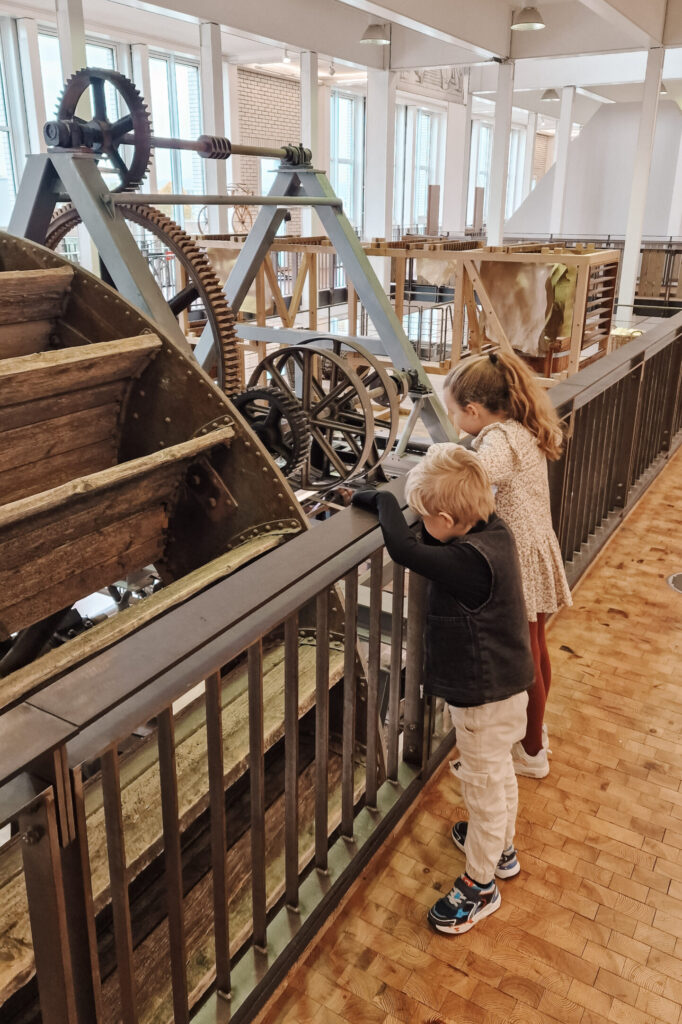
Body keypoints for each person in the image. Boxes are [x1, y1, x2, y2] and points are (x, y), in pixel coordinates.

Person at [352, 445, 534, 935]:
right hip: (509, 684)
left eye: (426, 516)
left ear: (449, 518)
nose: (422, 523)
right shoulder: (494, 530)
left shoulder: (469, 563)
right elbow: (425, 542)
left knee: (483, 789)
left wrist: (382, 501)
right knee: (498, 775)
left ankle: (481, 884)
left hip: (484, 696)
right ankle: (502, 850)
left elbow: (404, 549)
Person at [442, 349, 572, 779]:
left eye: (455, 412)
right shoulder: (520, 428)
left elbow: (471, 479)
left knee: (526, 653)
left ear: (474, 410)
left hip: (519, 554)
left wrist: (439, 467)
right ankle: (534, 736)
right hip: (537, 546)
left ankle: (531, 750)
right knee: (537, 646)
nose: (455, 420)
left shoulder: (497, 441)